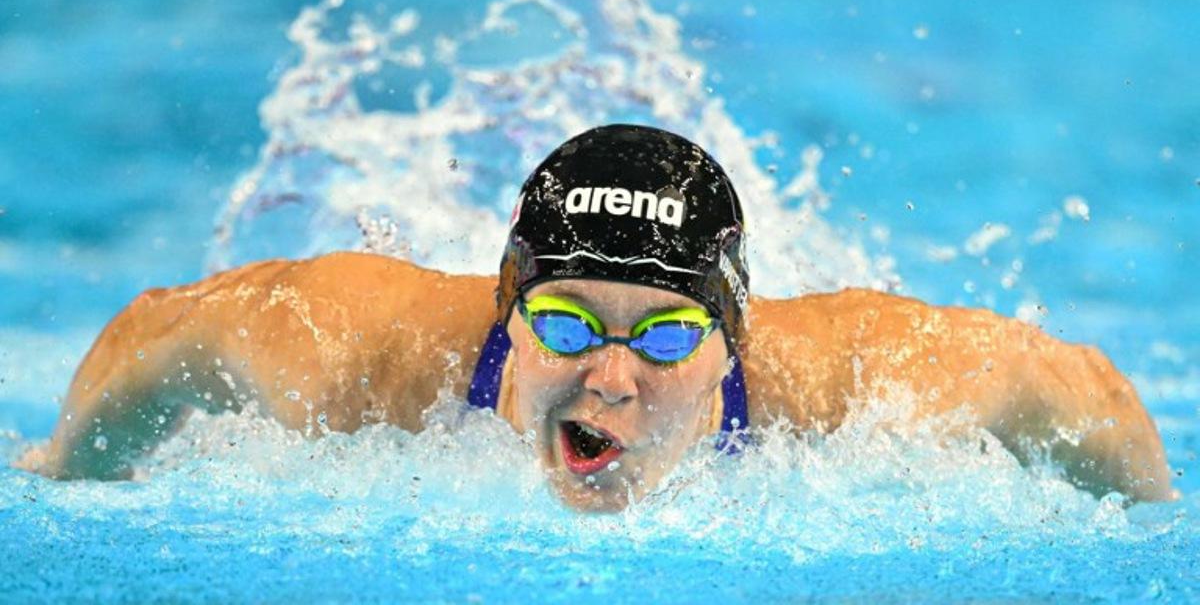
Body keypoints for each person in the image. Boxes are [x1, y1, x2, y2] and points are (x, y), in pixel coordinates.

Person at [17, 124, 1174, 511]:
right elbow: (162, 333)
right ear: (509, 311)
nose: (610, 380)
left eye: (667, 335)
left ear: (730, 336)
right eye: (568, 323)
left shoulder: (850, 382)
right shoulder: (356, 351)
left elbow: (1082, 393)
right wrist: (63, 467)